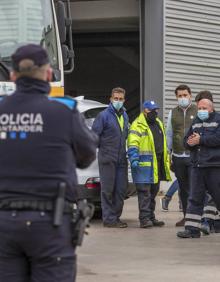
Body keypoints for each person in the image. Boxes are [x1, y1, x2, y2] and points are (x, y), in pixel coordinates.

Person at [0, 44, 97, 281]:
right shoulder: (64, 112)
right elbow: (87, 155)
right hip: (50, 225)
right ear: (48, 74)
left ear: (13, 76)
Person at [177, 97, 220, 238]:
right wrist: (190, 142)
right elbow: (186, 141)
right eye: (199, 108)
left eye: (204, 108)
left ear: (211, 108)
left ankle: (215, 223)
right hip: (197, 165)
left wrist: (200, 140)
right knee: (194, 197)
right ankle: (192, 229)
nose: (201, 111)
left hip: (214, 166)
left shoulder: (218, 119)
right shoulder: (196, 121)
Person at [128, 100, 171, 228]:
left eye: (156, 110)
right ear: (145, 110)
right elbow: (133, 143)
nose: (155, 112)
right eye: (152, 110)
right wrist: (134, 158)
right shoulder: (137, 125)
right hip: (143, 164)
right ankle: (144, 219)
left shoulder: (158, 123)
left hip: (157, 164)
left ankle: (151, 217)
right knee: (144, 192)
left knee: (153, 192)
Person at [92, 87, 129, 228]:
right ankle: (108, 219)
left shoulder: (125, 115)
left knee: (120, 190)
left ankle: (116, 217)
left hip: (121, 159)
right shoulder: (103, 116)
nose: (118, 101)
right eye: (116, 98)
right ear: (111, 99)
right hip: (108, 158)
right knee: (108, 190)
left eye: (120, 99)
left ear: (124, 100)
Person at [166, 84, 197, 226]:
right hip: (178, 157)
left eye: (185, 95)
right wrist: (169, 152)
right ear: (176, 97)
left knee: (195, 188)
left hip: (193, 156)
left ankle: (196, 218)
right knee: (183, 189)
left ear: (190, 95)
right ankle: (186, 217)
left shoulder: (198, 110)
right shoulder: (173, 113)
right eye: (180, 96)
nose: (183, 98)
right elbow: (170, 134)